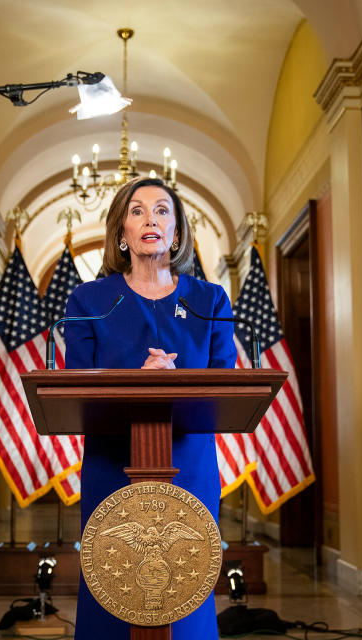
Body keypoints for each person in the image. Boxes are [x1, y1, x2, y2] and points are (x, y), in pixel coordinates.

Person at [64, 177, 237, 639]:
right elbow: (75, 390)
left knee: (186, 581)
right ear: (121, 231)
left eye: (162, 211)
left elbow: (226, 385)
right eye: (137, 211)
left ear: (177, 232)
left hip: (189, 464)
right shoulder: (87, 301)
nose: (151, 220)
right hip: (112, 465)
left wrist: (171, 382)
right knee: (113, 580)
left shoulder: (210, 300)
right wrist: (137, 382)